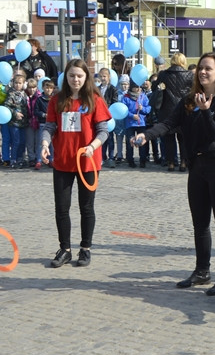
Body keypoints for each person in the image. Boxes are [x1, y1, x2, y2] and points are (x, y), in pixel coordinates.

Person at [135, 53, 215, 296]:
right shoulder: (189, 100)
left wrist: (205, 111)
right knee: (200, 223)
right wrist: (146, 135)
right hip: (197, 166)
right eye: (200, 68)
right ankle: (202, 271)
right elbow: (169, 123)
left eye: (208, 69)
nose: (203, 72)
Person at [40, 59, 112, 268]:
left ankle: (85, 249)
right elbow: (50, 127)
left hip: (88, 163)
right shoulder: (57, 99)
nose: (76, 79)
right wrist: (45, 143)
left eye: (80, 75)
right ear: (66, 77)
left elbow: (103, 131)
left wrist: (92, 146)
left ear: (86, 77)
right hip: (63, 162)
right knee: (61, 208)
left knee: (86, 207)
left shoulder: (94, 99)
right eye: (72, 75)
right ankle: (65, 249)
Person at [153, 53, 193, 172]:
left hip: (167, 110)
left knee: (169, 138)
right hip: (184, 110)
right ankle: (184, 162)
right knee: (183, 138)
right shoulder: (189, 75)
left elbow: (154, 87)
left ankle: (171, 162)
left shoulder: (163, 74)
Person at [121, 81, 151, 168]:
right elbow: (124, 110)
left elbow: (148, 108)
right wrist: (131, 116)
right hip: (130, 124)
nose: (138, 89)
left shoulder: (143, 96)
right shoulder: (126, 97)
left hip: (141, 123)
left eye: (139, 87)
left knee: (141, 142)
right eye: (136, 87)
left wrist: (143, 109)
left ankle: (143, 161)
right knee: (130, 143)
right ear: (132, 88)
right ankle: (130, 160)